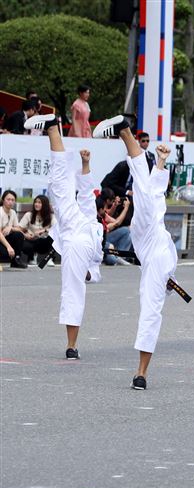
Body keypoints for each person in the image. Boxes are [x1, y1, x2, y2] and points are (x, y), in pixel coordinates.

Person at [93, 114, 180, 390]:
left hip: (151, 241)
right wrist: (162, 161)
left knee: (146, 190)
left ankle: (124, 132)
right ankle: (124, 131)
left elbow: (155, 188)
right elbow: (155, 189)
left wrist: (163, 161)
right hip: (151, 236)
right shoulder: (164, 254)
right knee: (145, 190)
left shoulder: (164, 261)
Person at [24, 113, 103, 359]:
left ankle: (52, 128)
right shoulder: (92, 227)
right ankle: (52, 128)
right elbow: (88, 195)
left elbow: (89, 195)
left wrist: (86, 165)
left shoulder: (92, 238)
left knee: (60, 183)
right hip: (79, 232)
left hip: (78, 236)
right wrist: (86, 164)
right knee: (59, 183)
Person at [19, 194, 55, 265]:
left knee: (54, 237)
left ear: (44, 205)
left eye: (39, 203)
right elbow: (19, 228)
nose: (36, 204)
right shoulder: (29, 215)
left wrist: (44, 230)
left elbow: (57, 229)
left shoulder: (51, 217)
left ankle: (49, 258)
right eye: (35, 202)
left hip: (45, 242)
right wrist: (25, 234)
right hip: (32, 240)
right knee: (23, 242)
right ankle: (32, 257)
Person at [0, 190, 27, 267]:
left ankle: (16, 260)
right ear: (3, 200)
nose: (10, 202)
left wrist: (10, 228)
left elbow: (19, 229)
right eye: (8, 199)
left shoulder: (13, 212)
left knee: (19, 235)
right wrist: (9, 247)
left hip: (6, 238)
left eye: (13, 200)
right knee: (5, 254)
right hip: (1, 239)